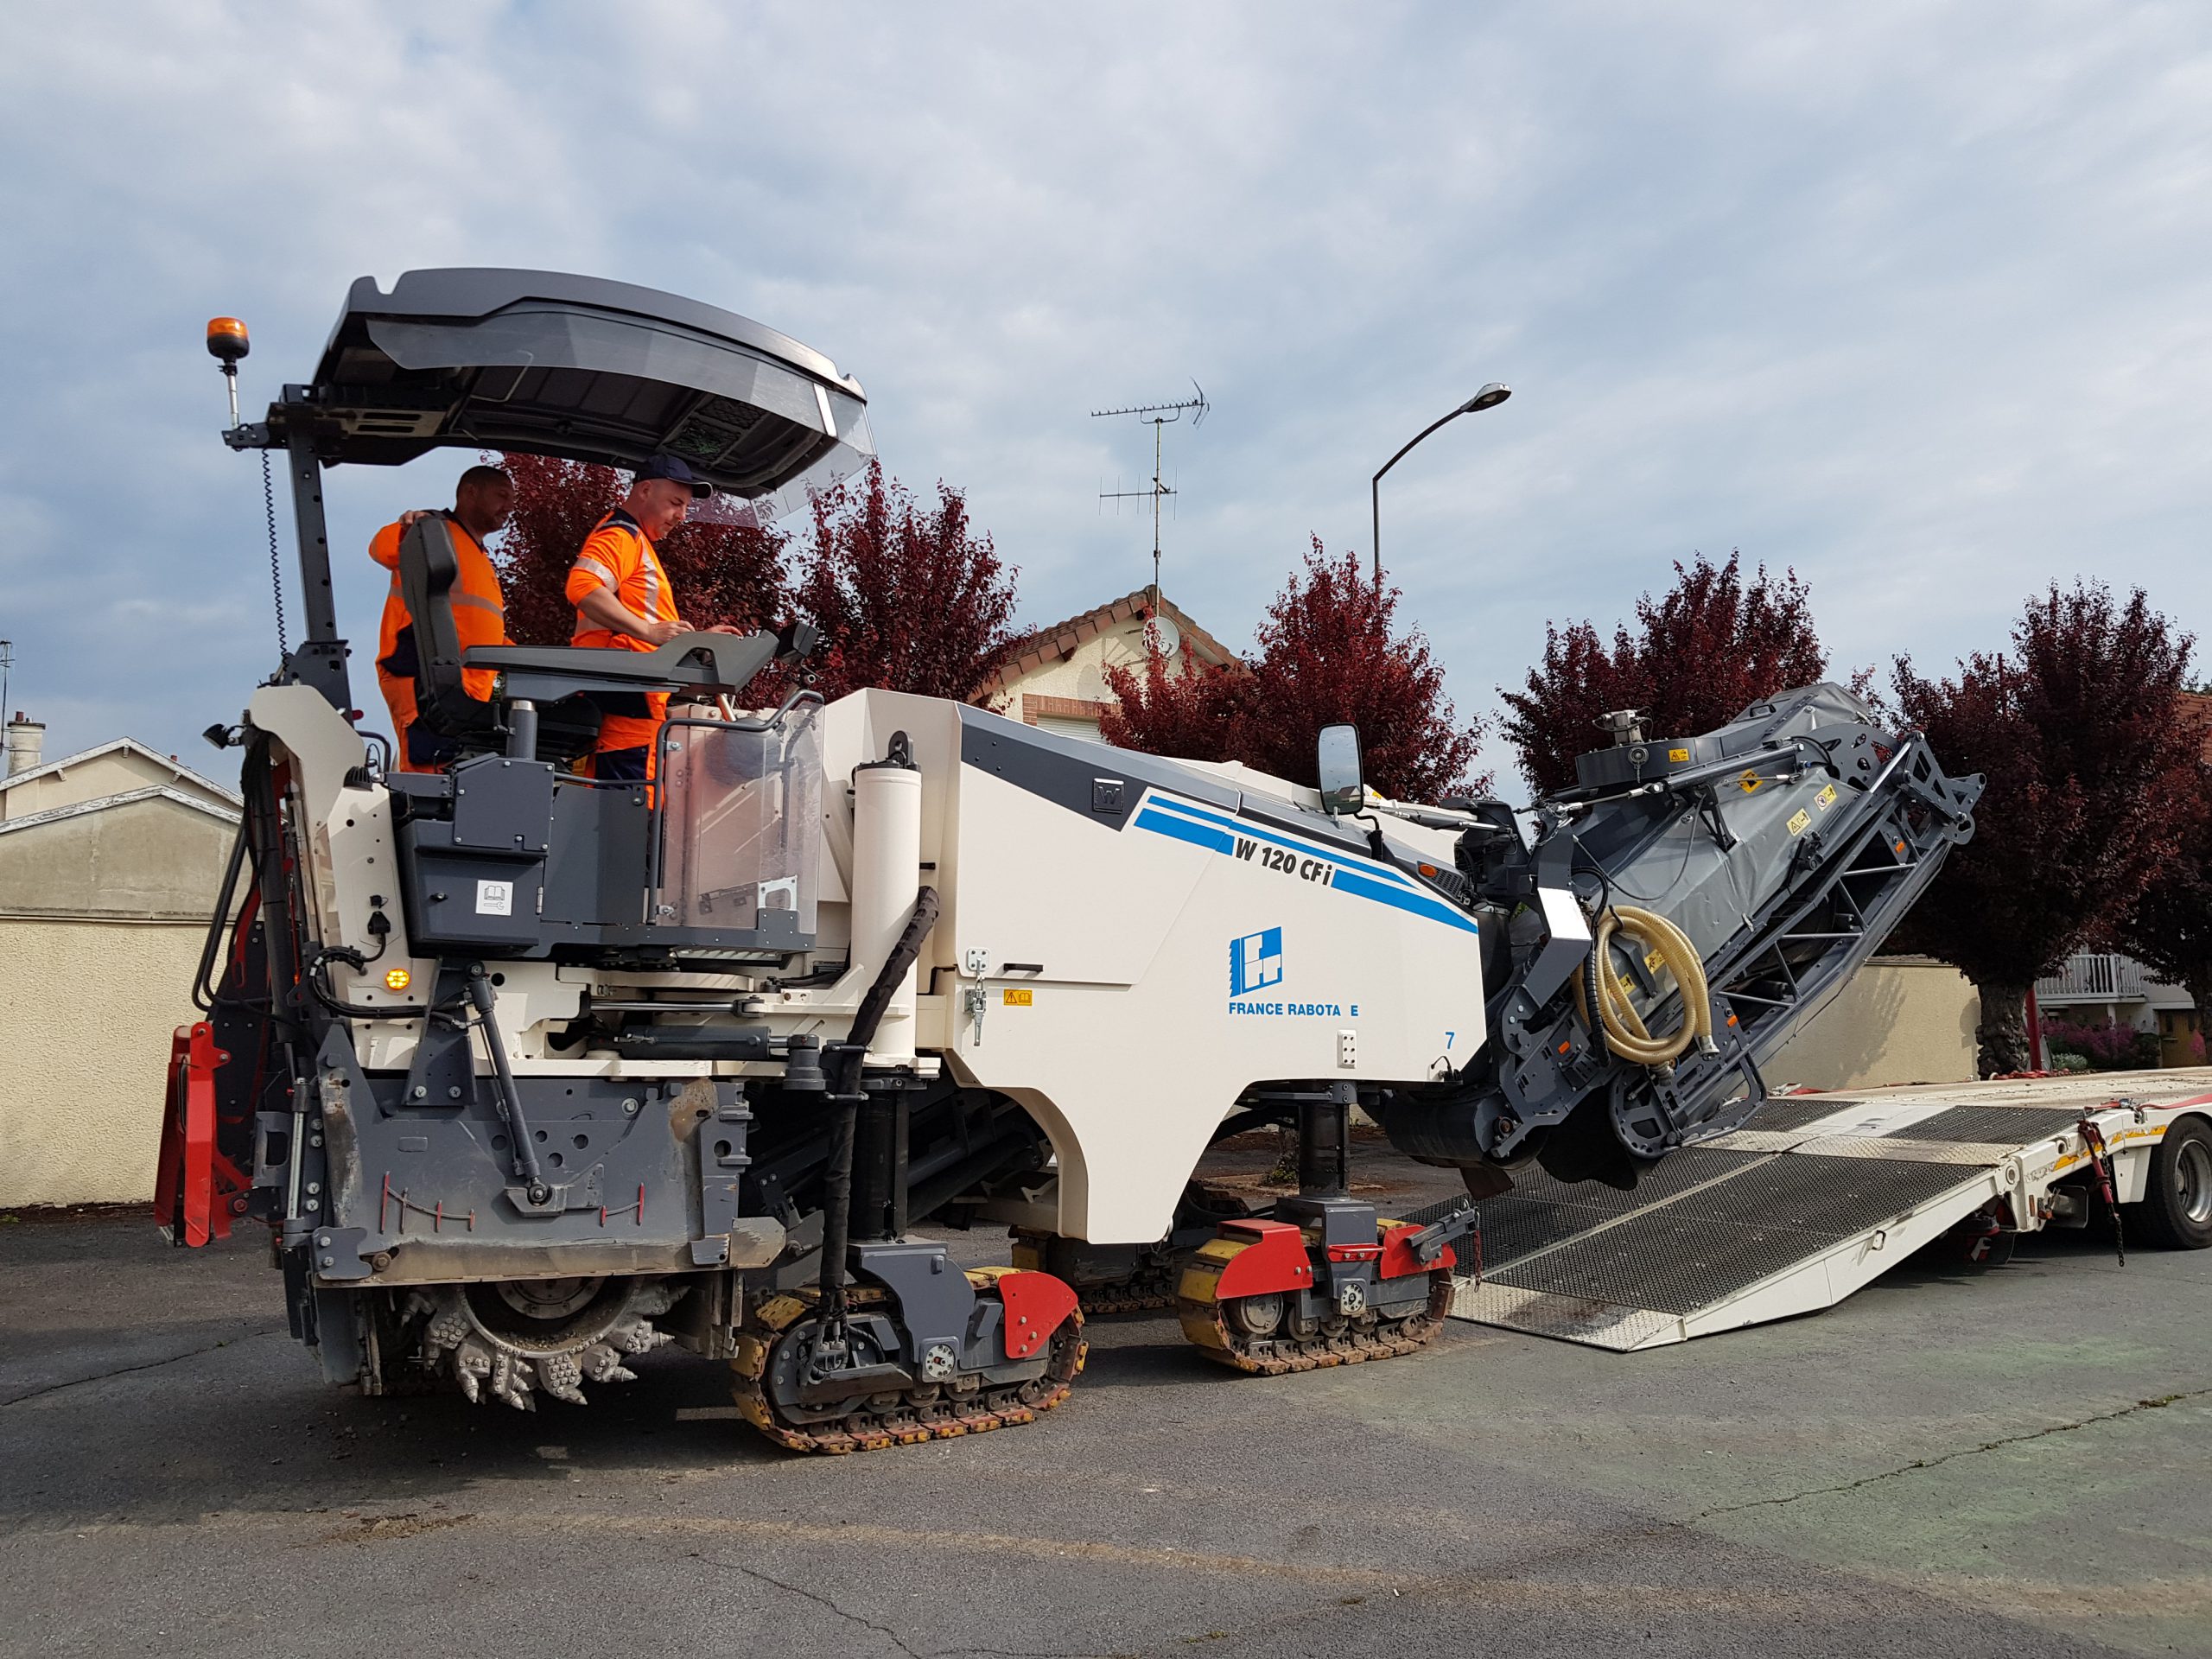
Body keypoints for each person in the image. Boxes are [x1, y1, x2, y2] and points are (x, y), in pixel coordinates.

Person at [564, 453, 724, 781]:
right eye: (675, 502)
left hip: (629, 706)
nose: (681, 516)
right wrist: (648, 631)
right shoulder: (621, 536)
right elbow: (582, 585)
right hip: (626, 707)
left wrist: (696, 641)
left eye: (685, 508)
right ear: (645, 490)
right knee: (634, 820)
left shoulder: (635, 541)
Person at [368, 465, 514, 772]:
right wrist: (409, 528)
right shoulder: (434, 530)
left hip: (467, 687)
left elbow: (479, 625)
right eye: (502, 495)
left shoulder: (479, 556)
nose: (509, 506)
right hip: (425, 679)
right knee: (429, 775)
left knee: (458, 777)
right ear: (470, 492)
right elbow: (381, 549)